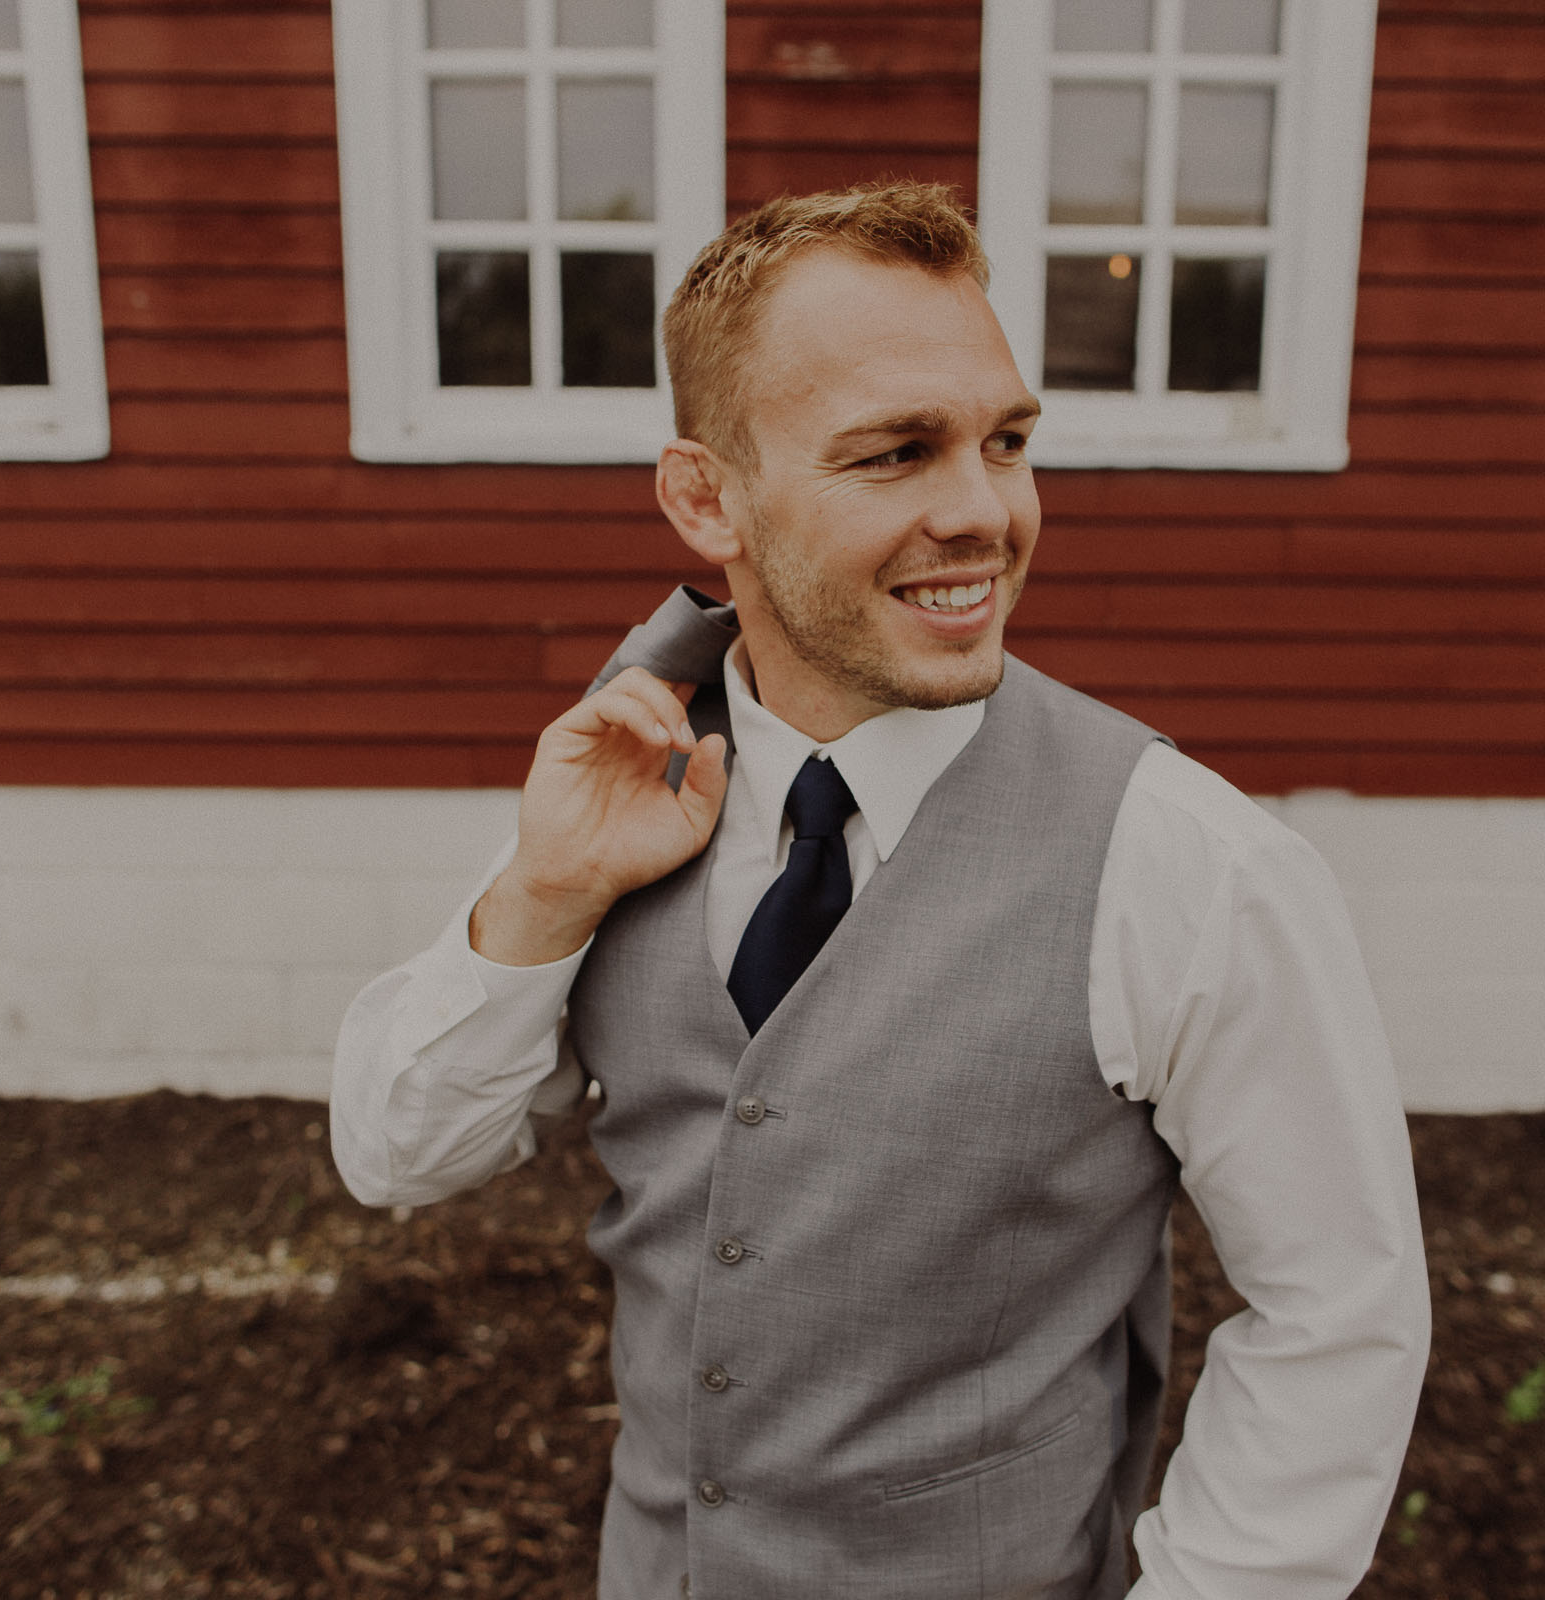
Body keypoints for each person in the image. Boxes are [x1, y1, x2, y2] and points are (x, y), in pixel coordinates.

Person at [333, 183, 1429, 1600]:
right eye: (897, 454)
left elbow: (1336, 1315)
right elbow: (396, 1154)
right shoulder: (627, 781)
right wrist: (542, 898)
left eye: (1007, 442)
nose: (983, 513)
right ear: (705, 498)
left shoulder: (1188, 863)